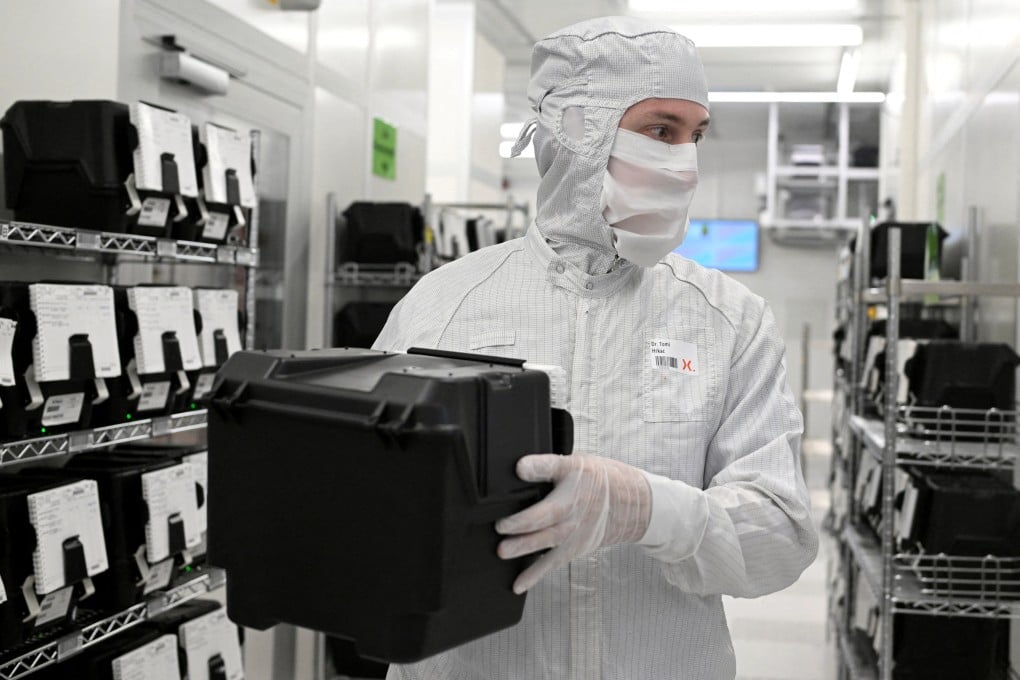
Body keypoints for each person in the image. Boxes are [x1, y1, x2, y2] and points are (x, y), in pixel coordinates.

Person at [373, 15, 818, 680]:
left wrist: (645, 508)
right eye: (661, 130)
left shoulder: (730, 322)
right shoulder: (441, 307)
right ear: (577, 132)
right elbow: (369, 508)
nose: (686, 162)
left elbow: (782, 536)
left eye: (695, 135)